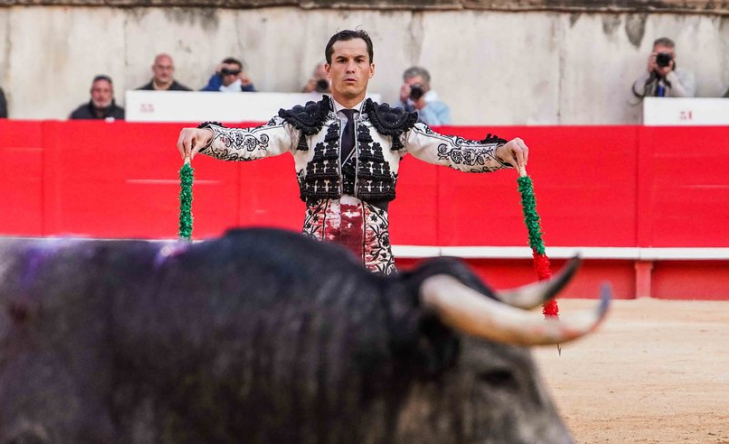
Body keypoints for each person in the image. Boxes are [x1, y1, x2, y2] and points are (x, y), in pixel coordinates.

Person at [178, 29, 528, 274]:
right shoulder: (302, 122)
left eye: (359, 60)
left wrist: (498, 153)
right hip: (316, 263)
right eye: (341, 60)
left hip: (376, 265)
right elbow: (254, 141)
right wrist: (209, 136)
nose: (350, 67)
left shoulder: (394, 124)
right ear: (328, 69)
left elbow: (448, 150)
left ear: (371, 69)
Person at [632, 37, 696, 98]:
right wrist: (648, 72)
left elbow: (688, 98)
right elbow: (637, 92)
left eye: (667, 56)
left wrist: (669, 74)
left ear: (673, 57)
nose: (663, 58)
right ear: (653, 55)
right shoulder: (650, 75)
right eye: (660, 55)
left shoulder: (685, 75)